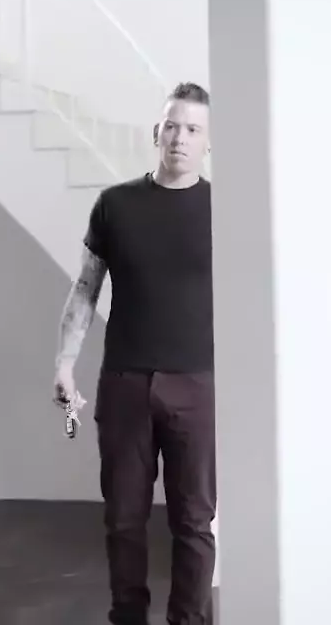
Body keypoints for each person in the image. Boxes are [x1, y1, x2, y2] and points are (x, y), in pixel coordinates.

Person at [52, 82, 215, 625]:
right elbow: (85, 288)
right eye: (172, 125)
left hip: (198, 385)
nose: (180, 137)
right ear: (156, 133)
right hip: (125, 384)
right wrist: (64, 363)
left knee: (193, 522)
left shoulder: (225, 210)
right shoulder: (115, 205)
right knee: (124, 520)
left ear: (207, 141)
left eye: (192, 128)